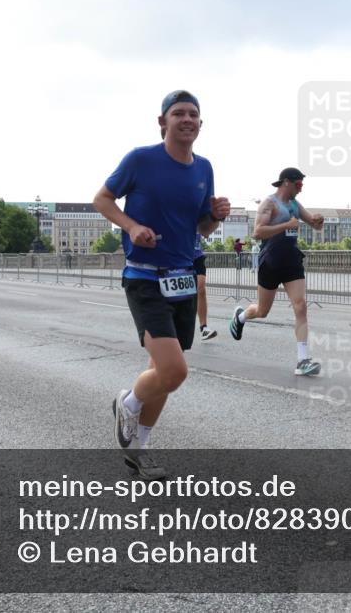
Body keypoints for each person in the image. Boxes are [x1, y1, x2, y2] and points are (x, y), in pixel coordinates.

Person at [93, 89, 230, 480]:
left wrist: (216, 217)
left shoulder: (204, 168)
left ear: (200, 124)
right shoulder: (140, 159)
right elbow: (102, 199)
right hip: (144, 276)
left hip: (183, 278)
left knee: (162, 372)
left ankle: (139, 449)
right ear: (162, 122)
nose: (187, 120)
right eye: (179, 114)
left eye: (193, 115)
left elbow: (201, 227)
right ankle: (128, 403)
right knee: (174, 371)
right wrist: (132, 226)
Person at [229, 167, 324, 376]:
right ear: (286, 182)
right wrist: (285, 225)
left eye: (302, 185)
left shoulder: (295, 205)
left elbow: (313, 225)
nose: (301, 189)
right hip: (270, 261)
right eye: (298, 185)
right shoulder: (269, 203)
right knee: (262, 311)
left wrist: (318, 221)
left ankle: (303, 360)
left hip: (291, 261)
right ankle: (241, 317)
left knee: (300, 306)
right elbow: (257, 232)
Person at [194, 233, 216, 341]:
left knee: (201, 289)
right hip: (180, 254)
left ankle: (204, 328)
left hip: (197, 256)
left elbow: (206, 230)